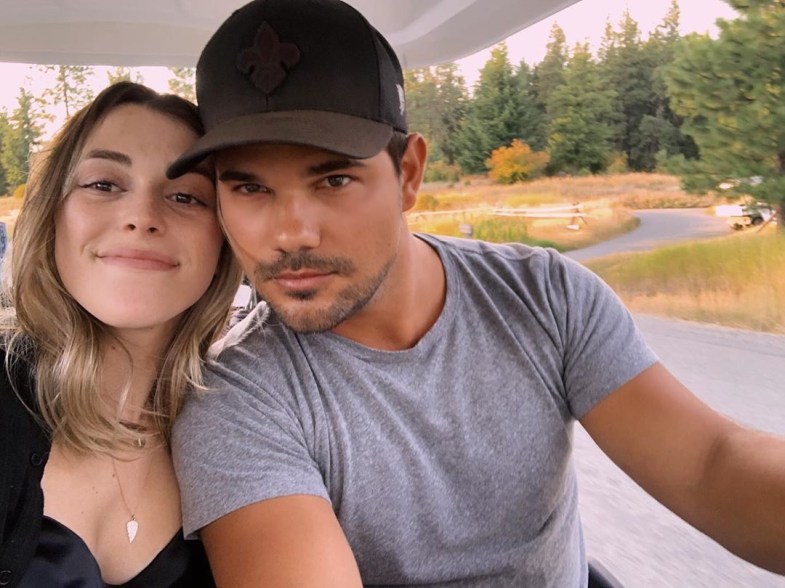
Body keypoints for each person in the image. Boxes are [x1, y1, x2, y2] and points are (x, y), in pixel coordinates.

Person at [168, 0, 785, 586]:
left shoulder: (545, 297)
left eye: (333, 179)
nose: (289, 233)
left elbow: (709, 463)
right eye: (249, 189)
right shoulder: (233, 397)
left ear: (408, 173)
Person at [0, 81, 242, 587]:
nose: (141, 218)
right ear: (53, 215)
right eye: (104, 185)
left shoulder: (242, 423)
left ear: (224, 239)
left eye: (184, 195)